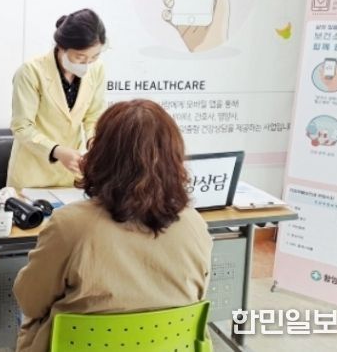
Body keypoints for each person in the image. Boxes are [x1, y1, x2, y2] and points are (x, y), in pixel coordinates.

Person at [13, 99, 212, 352]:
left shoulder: (70, 225)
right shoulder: (194, 224)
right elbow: (196, 294)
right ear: (173, 158)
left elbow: (30, 301)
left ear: (101, 154)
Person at [6, 8, 106, 191]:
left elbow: (93, 117)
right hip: (31, 174)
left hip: (70, 175)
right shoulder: (31, 72)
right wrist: (56, 151)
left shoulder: (97, 69)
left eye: (94, 57)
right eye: (80, 57)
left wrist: (94, 144)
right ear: (61, 47)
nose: (87, 64)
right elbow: (21, 127)